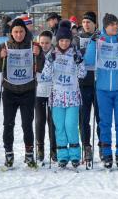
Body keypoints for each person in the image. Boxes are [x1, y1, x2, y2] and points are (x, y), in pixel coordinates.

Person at [84, 13, 118, 169]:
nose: (115, 26)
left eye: (117, 23)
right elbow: (88, 61)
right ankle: (106, 153)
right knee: (104, 123)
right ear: (105, 26)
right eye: (112, 24)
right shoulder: (99, 39)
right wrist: (92, 43)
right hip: (103, 89)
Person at [0, 18, 45, 168]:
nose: (19, 34)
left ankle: (29, 155)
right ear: (11, 33)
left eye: (21, 31)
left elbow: (41, 67)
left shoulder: (33, 45)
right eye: (16, 32)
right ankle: (9, 153)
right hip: (9, 90)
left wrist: (39, 53)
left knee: (27, 124)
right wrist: (0, 57)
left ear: (25, 32)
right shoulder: (4, 46)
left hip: (28, 90)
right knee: (8, 124)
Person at [41, 20, 86, 168]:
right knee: (59, 126)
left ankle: (75, 155)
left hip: (72, 97)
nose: (64, 43)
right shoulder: (52, 54)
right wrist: (49, 62)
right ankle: (62, 156)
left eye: (67, 40)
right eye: (61, 40)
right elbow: (45, 76)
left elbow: (83, 74)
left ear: (70, 40)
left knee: (71, 125)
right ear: (57, 41)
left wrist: (79, 62)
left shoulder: (75, 53)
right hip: (57, 98)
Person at [74, 11, 101, 163]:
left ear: (94, 24)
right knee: (83, 119)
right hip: (83, 84)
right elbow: (74, 56)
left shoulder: (101, 38)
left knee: (100, 118)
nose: (86, 25)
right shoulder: (77, 39)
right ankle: (86, 147)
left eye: (89, 22)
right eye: (84, 22)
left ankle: (102, 146)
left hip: (99, 83)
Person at [35, 30, 56, 163]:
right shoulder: (35, 53)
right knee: (40, 120)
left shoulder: (55, 54)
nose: (44, 45)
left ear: (51, 43)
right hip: (39, 91)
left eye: (47, 43)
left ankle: (54, 149)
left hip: (53, 91)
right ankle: (40, 148)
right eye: (42, 43)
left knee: (53, 122)